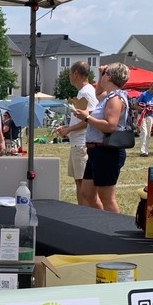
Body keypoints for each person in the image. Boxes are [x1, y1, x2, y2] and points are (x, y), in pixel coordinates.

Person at [80, 62, 131, 213]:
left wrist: (87, 117)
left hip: (107, 151)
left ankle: (112, 227)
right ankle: (102, 221)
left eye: (105, 73)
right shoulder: (109, 96)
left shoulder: (115, 98)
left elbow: (110, 126)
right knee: (87, 193)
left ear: (109, 77)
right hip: (96, 151)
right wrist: (100, 74)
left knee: (106, 197)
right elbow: (98, 94)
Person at [53, 60, 99, 206]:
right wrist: (68, 129)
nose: (69, 77)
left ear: (76, 73)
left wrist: (69, 129)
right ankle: (82, 212)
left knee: (84, 186)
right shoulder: (83, 92)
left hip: (82, 144)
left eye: (69, 74)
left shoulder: (86, 92)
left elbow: (89, 119)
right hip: (77, 143)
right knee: (79, 184)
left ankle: (89, 215)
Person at [136, 81, 153, 157]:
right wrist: (142, 109)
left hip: (150, 116)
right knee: (144, 132)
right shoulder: (144, 94)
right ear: (149, 86)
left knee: (148, 134)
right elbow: (135, 105)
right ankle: (142, 151)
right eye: (152, 87)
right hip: (143, 115)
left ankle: (146, 151)